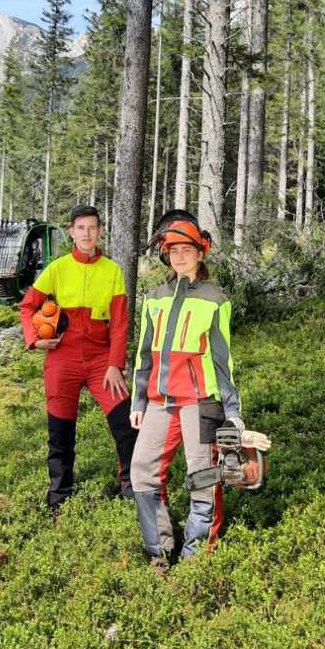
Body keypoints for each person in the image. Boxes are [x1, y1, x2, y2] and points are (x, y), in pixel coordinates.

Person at [130, 211, 243, 571]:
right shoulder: (154, 298)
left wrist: (233, 411)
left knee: (203, 476)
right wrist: (138, 399)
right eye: (172, 249)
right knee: (141, 472)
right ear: (166, 255)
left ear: (201, 252)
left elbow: (223, 361)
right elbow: (144, 353)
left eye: (186, 249)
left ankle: (195, 556)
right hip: (160, 401)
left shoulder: (215, 299)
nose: (179, 255)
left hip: (201, 402)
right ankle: (159, 551)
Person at [20, 205, 137, 516]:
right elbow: (27, 307)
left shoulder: (112, 270)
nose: (87, 234)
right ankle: (59, 497)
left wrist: (115, 364)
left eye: (92, 228)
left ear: (100, 231)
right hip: (63, 358)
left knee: (125, 425)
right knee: (60, 433)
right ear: (71, 232)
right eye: (80, 228)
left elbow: (121, 323)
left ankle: (130, 487)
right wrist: (35, 339)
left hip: (101, 358)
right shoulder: (57, 269)